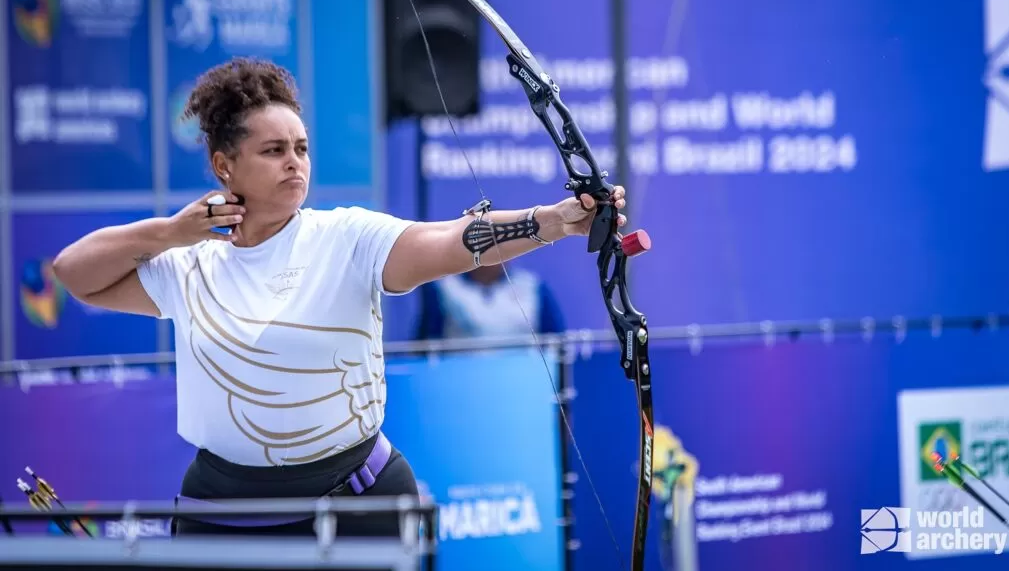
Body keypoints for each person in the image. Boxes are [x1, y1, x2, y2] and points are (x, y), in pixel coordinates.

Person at [51, 57, 628, 539]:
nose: (294, 162)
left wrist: (552, 221)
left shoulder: (347, 237)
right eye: (273, 150)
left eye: (301, 148)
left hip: (355, 504)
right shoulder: (189, 265)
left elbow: (452, 240)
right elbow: (74, 272)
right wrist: (170, 233)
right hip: (223, 515)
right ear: (224, 166)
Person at [415, 263, 566, 342]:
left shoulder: (533, 287)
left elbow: (557, 343)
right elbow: (425, 345)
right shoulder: (443, 288)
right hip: (460, 385)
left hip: (524, 385)